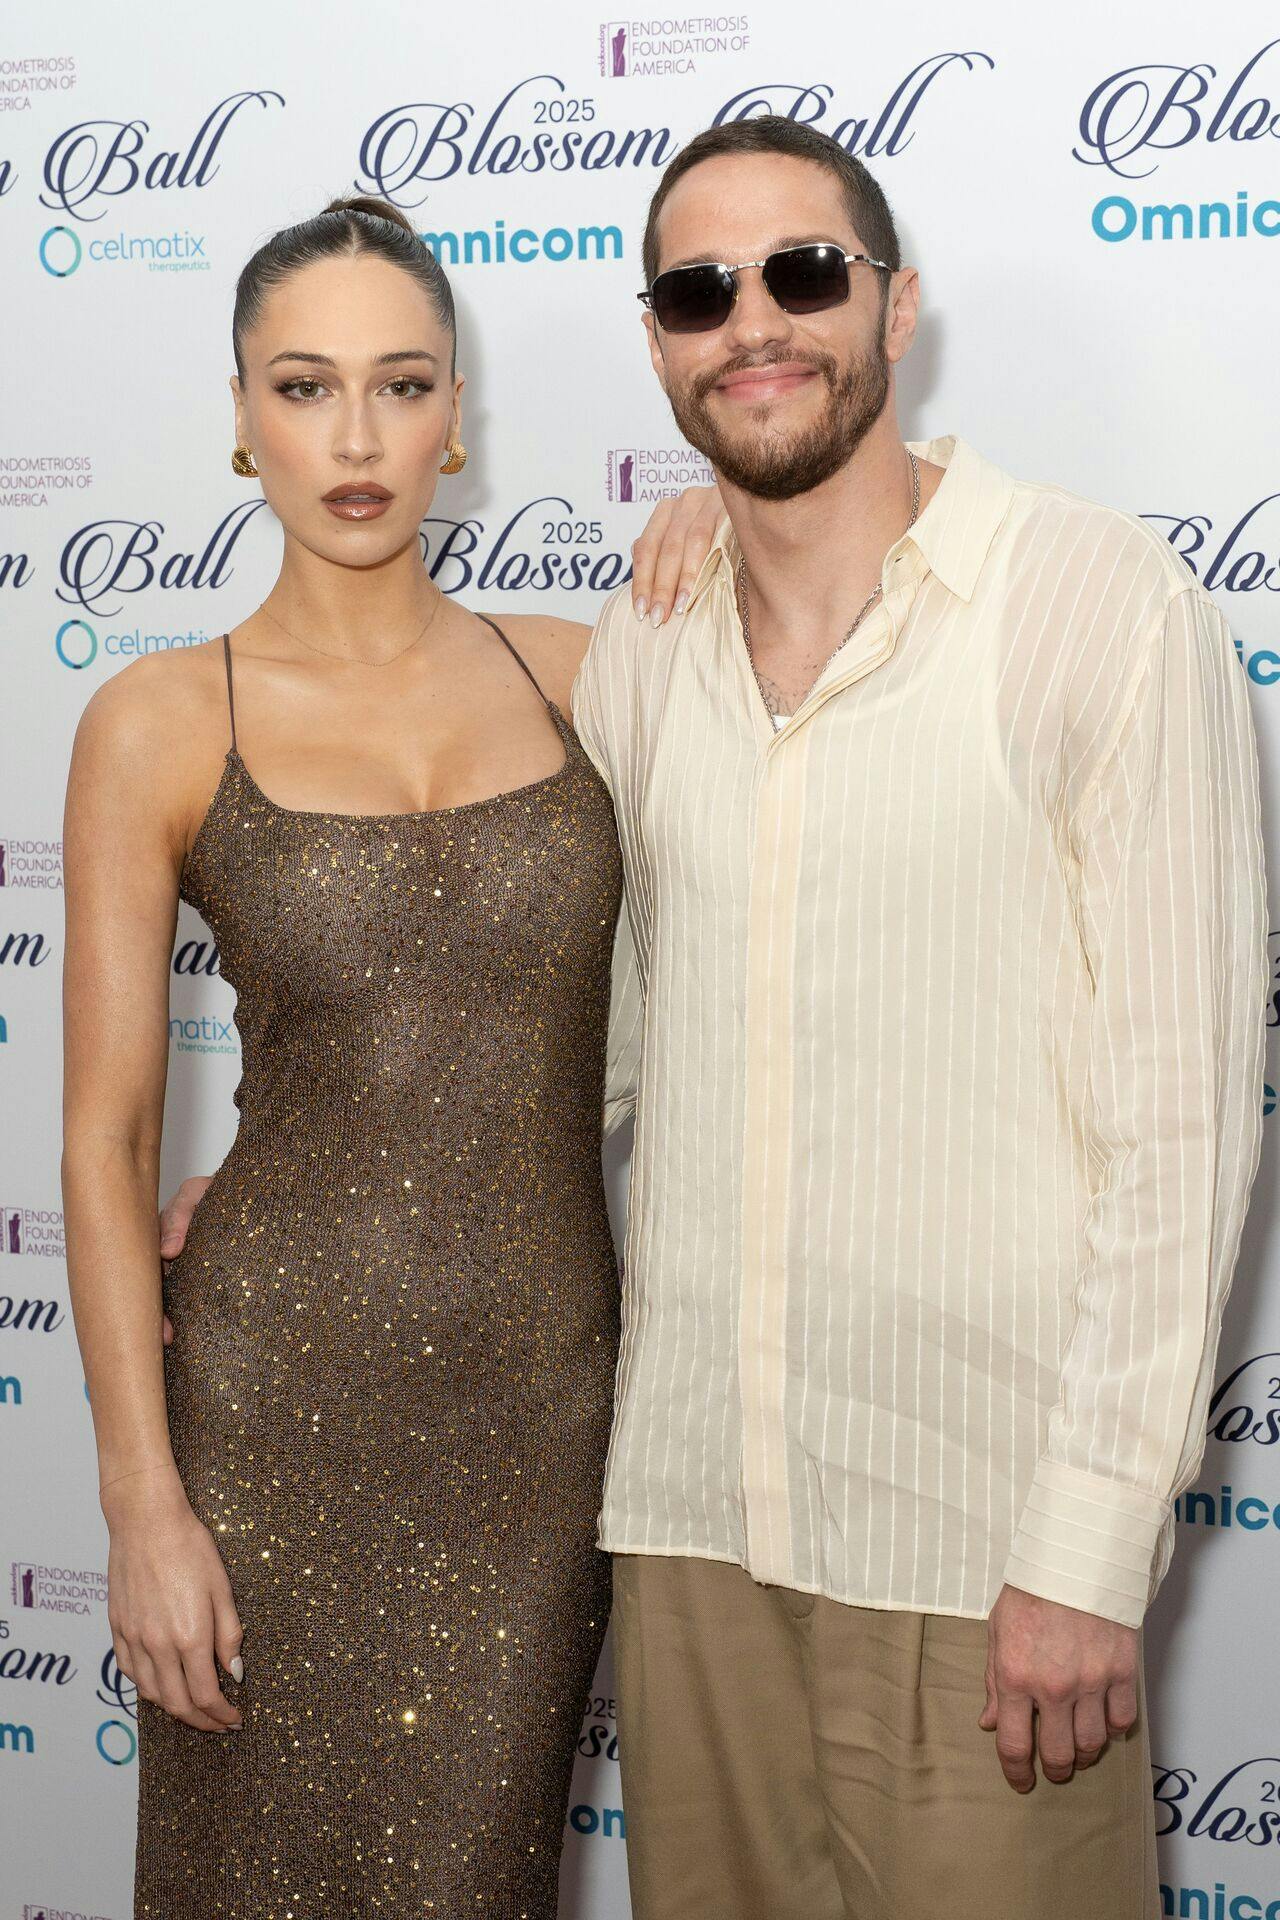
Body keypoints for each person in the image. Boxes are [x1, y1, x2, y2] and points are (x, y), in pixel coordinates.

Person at [567, 118, 1265, 1919]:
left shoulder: (1099, 606)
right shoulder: (642, 645)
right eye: (700, 292)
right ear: (657, 343)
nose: (754, 323)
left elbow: (1182, 1128)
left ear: (896, 306)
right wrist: (308, 1182)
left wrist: (1089, 1548)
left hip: (984, 1547)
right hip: (693, 1526)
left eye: (804, 273)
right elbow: (591, 1053)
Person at [59, 193, 714, 1919]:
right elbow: (106, 1142)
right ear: (241, 414)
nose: (355, 440)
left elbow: (827, 684)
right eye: (305, 387)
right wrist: (142, 1508)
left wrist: (719, 512)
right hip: (263, 1419)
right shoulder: (157, 719)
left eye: (401, 386)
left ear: (455, 417)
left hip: (539, 1426)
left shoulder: (586, 675)